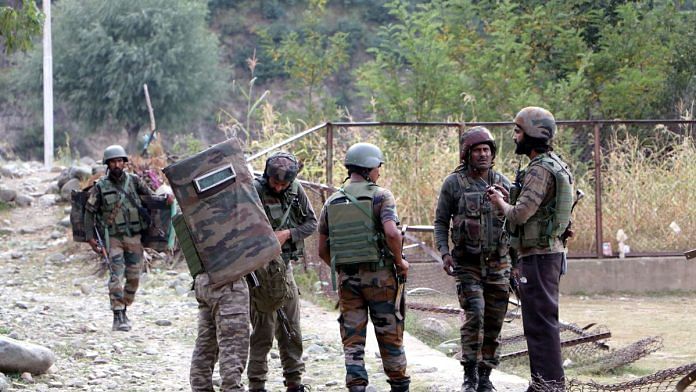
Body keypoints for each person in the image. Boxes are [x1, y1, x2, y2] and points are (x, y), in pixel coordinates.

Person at [487, 107, 574, 391]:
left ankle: (547, 385)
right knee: (540, 322)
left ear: (533, 134)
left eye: (518, 131)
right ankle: (544, 383)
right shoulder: (554, 164)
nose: (514, 137)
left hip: (539, 256)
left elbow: (520, 214)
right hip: (547, 254)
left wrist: (500, 204)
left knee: (539, 325)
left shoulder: (539, 169)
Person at [317, 142, 410, 392]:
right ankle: (399, 384)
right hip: (381, 279)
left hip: (348, 282)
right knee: (390, 333)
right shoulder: (381, 196)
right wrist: (400, 262)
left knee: (353, 337)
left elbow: (322, 250)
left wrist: (343, 268)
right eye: (378, 166)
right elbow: (392, 232)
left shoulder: (332, 202)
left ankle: (357, 385)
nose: (379, 171)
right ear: (369, 167)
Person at [433, 127, 512, 392]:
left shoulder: (503, 182)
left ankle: (485, 376)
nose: (483, 154)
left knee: (494, 321)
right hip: (467, 264)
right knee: (475, 315)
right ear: (467, 153)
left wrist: (517, 263)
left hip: (499, 264)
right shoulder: (453, 184)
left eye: (487, 150)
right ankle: (469, 374)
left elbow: (516, 222)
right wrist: (445, 252)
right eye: (477, 150)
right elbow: (441, 222)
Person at [248, 152, 317, 392]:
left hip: (284, 270)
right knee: (263, 331)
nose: (278, 187)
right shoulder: (253, 190)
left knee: (291, 330)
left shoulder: (296, 191)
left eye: (283, 184)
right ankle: (257, 383)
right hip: (258, 273)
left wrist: (286, 234)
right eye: (274, 182)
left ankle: (294, 382)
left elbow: (311, 223)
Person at [84, 144, 170, 332]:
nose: (116, 165)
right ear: (108, 164)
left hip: (134, 237)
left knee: (134, 277)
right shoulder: (100, 187)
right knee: (116, 274)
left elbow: (151, 198)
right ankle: (118, 315)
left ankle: (125, 304)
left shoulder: (134, 181)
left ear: (124, 163)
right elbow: (89, 212)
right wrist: (91, 238)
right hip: (113, 237)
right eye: (113, 162)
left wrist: (165, 200)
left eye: (119, 161)